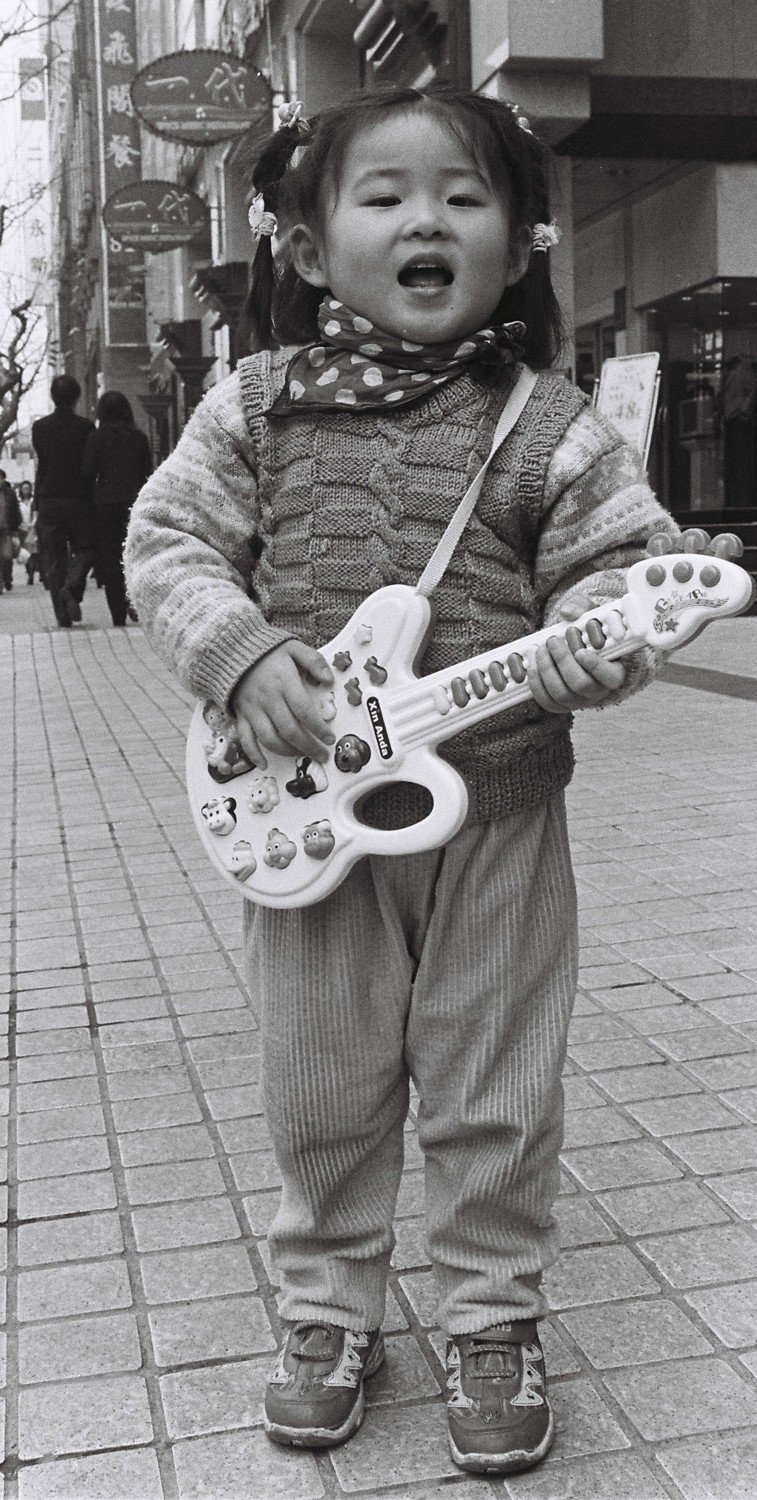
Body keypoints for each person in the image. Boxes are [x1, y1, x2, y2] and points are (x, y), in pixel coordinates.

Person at [125, 88, 677, 1477]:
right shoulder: (251, 405)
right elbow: (167, 542)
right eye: (383, 195)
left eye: (462, 195)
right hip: (308, 822)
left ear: (518, 241)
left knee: (497, 1085)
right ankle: (327, 1308)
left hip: (496, 816)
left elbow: (621, 564)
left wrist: (606, 640)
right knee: (321, 1082)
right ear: (310, 247)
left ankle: (490, 1316)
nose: (424, 217)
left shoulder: (549, 423)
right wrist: (240, 652)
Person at [81, 391, 152, 626]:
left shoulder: (95, 438)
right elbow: (148, 473)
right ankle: (136, 604)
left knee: (111, 560)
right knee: (136, 558)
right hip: (135, 504)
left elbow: (88, 472)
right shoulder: (139, 438)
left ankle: (117, 614)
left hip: (105, 506)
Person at [31, 374, 94, 627]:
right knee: (87, 547)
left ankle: (62, 615)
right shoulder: (86, 427)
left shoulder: (40, 428)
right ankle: (72, 586)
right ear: (77, 396)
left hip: (49, 497)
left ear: (52, 397)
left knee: (54, 556)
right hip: (79, 497)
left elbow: (43, 464)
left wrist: (37, 498)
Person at [0, 469, 22, 592]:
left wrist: (15, 530)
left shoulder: (10, 493)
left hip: (6, 531)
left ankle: (7, 577)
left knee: (7, 557)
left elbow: (15, 512)